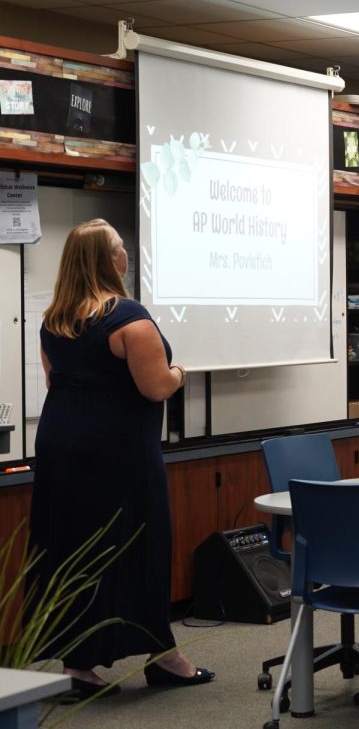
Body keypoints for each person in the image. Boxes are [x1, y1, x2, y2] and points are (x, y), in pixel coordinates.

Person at [29, 219, 213, 700]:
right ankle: (164, 656)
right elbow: (155, 386)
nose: (127, 253)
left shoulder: (53, 321)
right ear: (111, 261)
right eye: (121, 247)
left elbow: (56, 385)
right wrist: (179, 372)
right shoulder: (129, 317)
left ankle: (78, 665)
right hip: (119, 454)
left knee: (73, 547)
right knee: (139, 545)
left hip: (60, 448)